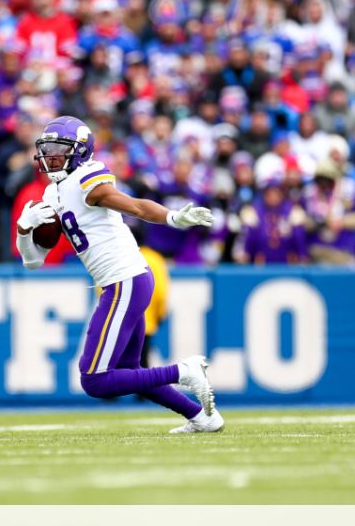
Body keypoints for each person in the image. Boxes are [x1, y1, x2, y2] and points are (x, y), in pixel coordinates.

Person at [15, 115, 220, 433]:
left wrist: (172, 217)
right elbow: (33, 262)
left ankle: (185, 371)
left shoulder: (87, 178)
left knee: (94, 379)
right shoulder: (50, 195)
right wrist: (23, 230)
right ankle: (201, 416)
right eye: (48, 148)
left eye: (59, 148)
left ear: (80, 151)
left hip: (124, 280)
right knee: (129, 370)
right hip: (124, 281)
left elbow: (135, 206)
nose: (50, 155)